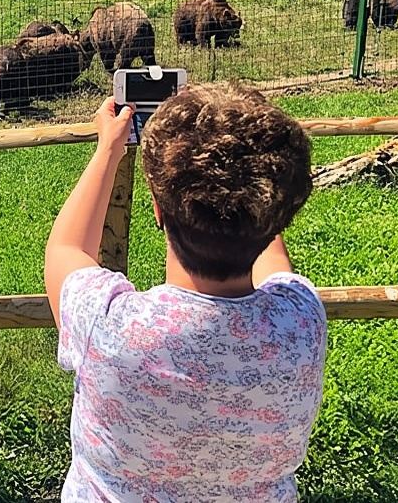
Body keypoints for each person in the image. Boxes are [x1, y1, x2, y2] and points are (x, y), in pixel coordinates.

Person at [45, 85, 327, 502]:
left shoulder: (109, 325)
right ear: (277, 212)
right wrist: (253, 178)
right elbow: (270, 247)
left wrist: (109, 148)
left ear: (158, 210)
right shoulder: (301, 323)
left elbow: (66, 250)